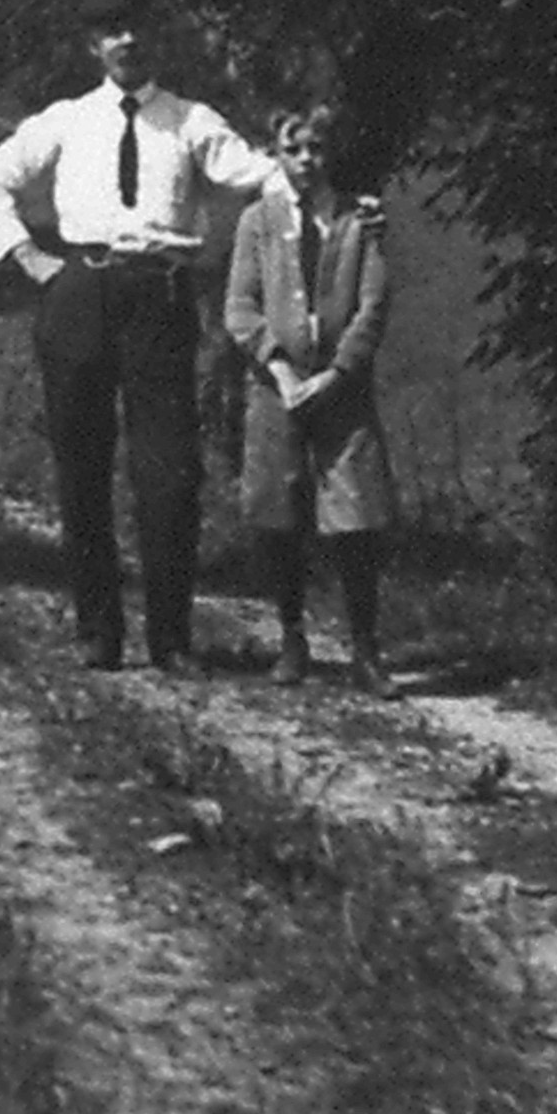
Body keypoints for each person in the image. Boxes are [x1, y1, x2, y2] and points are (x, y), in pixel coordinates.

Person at [0, 0, 278, 671]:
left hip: (159, 299)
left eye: (137, 28)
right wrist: (28, 257)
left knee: (168, 472)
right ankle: (97, 631)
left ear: (155, 39)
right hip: (79, 292)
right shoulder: (68, 119)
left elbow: (260, 175)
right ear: (94, 46)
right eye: (112, 30)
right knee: (81, 464)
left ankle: (170, 639)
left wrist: (339, 199)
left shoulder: (191, 121)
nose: (127, 41)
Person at [226, 104, 404, 696]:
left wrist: (338, 372)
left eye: (316, 149)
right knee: (277, 509)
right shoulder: (257, 222)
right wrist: (279, 369)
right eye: (293, 149)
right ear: (275, 154)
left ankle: (365, 649)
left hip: (340, 389)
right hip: (276, 386)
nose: (306, 160)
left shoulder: (359, 221)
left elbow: (372, 306)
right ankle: (292, 637)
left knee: (355, 514)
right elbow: (240, 307)